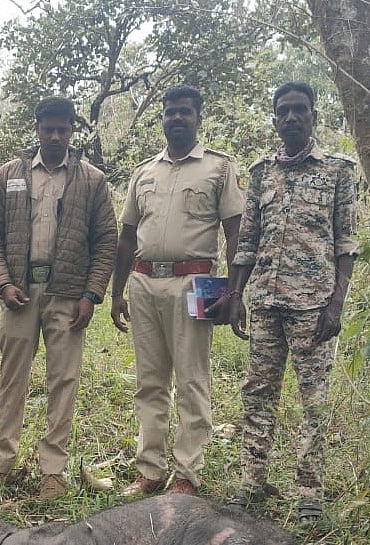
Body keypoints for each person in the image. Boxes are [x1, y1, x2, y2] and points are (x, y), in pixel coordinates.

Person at [224, 82, 358, 523]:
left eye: (300, 109)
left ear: (314, 115)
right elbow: (247, 240)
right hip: (265, 301)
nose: (292, 117)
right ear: (275, 119)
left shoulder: (338, 171)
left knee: (313, 401)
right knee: (257, 394)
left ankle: (309, 494)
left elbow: (346, 244)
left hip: (313, 308)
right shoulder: (261, 172)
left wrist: (336, 305)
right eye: (284, 111)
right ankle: (251, 483)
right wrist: (237, 294)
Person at [0, 96, 117, 501]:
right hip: (19, 293)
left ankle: (52, 471)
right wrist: (3, 283)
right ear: (37, 128)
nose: (55, 136)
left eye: (63, 129)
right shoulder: (9, 174)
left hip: (68, 296)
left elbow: (106, 240)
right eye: (48, 129)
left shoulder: (92, 179)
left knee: (63, 381)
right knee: (12, 378)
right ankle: (2, 464)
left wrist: (91, 294)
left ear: (73, 130)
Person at [110, 85, 243, 497]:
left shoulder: (219, 168)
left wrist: (235, 292)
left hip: (195, 283)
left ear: (198, 118)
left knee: (191, 380)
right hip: (144, 282)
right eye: (170, 112)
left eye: (185, 112)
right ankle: (149, 470)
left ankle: (187, 473)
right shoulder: (144, 172)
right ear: (163, 118)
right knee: (149, 381)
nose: (177, 118)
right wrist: (117, 292)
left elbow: (236, 233)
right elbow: (127, 235)